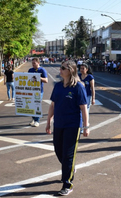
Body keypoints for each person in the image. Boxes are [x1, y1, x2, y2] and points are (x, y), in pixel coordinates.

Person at [46, 60, 89, 196]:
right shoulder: (58, 86)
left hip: (73, 125)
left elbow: (84, 108)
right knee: (58, 150)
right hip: (58, 124)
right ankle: (70, 168)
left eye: (63, 68)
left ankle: (67, 184)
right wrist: (48, 122)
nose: (60, 70)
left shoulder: (78, 87)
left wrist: (86, 126)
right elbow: (52, 105)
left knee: (68, 155)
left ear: (70, 70)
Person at [28, 57, 48, 127]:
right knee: (31, 105)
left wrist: (39, 78)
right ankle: (33, 119)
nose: (33, 64)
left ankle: (37, 120)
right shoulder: (30, 70)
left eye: (34, 63)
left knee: (37, 105)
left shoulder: (42, 70)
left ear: (38, 63)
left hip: (39, 91)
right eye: (32, 63)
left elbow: (46, 80)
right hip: (31, 90)